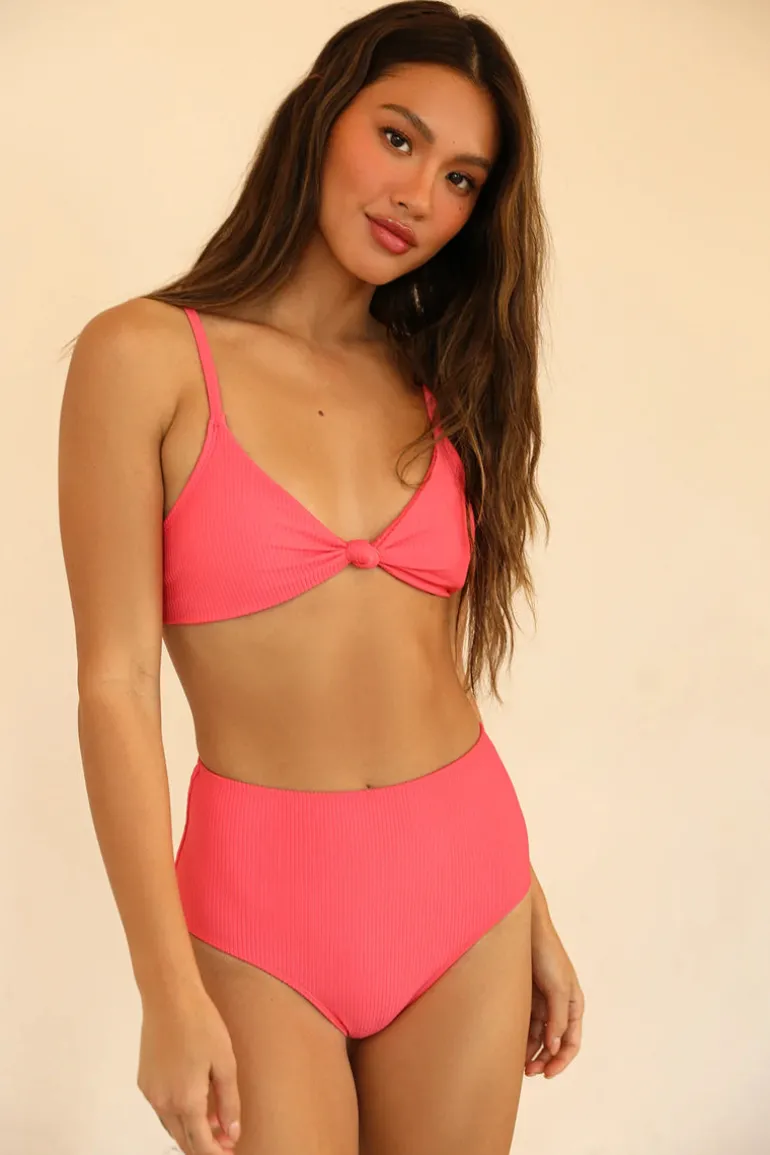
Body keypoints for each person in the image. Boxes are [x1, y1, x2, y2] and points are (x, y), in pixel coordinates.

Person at [58, 3, 585, 1152]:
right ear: (320, 117)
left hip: (468, 891)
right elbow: (114, 687)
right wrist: (163, 989)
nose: (418, 196)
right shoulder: (143, 355)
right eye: (398, 138)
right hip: (256, 913)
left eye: (460, 179)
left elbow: (421, 670)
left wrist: (527, 900)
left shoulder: (434, 380)